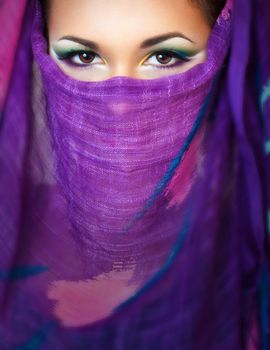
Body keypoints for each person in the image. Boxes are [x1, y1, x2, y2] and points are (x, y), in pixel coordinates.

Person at [0, 0, 269, 349]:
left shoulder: (246, 249)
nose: (120, 104)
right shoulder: (11, 234)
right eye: (83, 57)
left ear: (222, 53)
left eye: (163, 57)